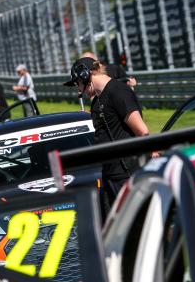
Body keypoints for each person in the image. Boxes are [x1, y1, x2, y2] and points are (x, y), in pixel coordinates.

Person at [64, 57, 150, 218]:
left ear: (84, 75)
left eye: (77, 83)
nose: (79, 90)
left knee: (135, 223)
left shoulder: (118, 91)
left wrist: (152, 155)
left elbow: (142, 131)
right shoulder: (97, 101)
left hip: (127, 175)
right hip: (111, 175)